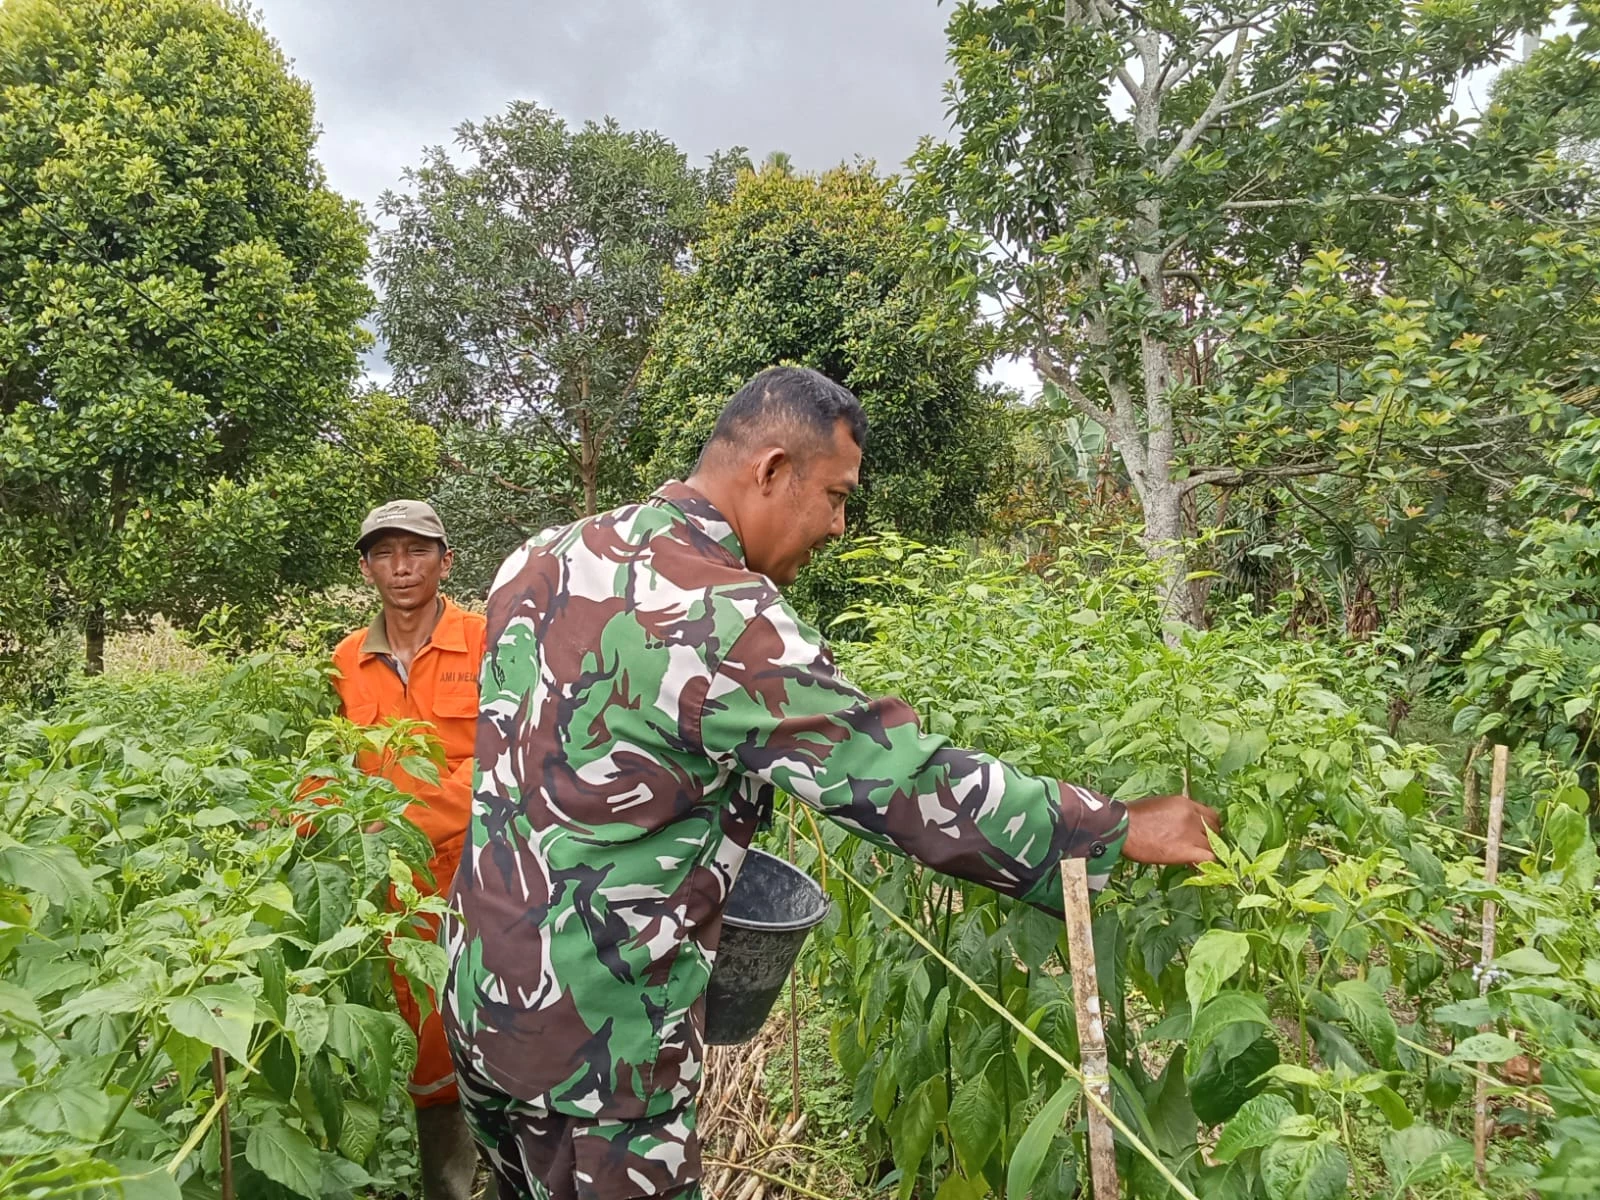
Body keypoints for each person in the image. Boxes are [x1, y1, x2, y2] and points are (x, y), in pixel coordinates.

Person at [443, 368, 1219, 1200]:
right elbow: (901, 779)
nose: (841, 526)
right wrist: (1108, 827)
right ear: (772, 470)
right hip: (601, 1047)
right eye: (837, 495)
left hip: (484, 1000)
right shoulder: (725, 617)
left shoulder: (540, 556)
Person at [330, 500, 486, 1200]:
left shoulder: (486, 640)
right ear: (366, 568)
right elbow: (334, 764)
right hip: (396, 890)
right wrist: (302, 824)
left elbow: (497, 757)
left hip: (485, 873)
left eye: (417, 550)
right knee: (427, 1041)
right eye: (385, 553)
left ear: (445, 561)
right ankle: (447, 1186)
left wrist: (405, 824)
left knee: (505, 1022)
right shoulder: (346, 660)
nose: (402, 566)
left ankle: (516, 1172)